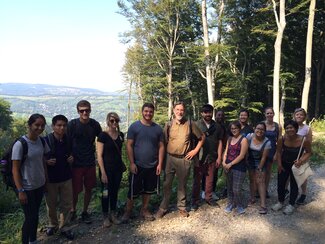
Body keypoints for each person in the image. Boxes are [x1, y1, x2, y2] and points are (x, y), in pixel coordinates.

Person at [155, 102, 205, 218]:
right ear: (173, 110)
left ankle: (182, 208)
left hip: (184, 159)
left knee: (182, 185)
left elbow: (202, 138)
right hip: (170, 158)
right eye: (177, 109)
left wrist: (195, 151)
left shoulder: (190, 124)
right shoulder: (168, 124)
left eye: (181, 110)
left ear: (184, 111)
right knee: (167, 184)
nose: (179, 112)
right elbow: (163, 142)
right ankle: (163, 208)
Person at [122, 103, 164, 222]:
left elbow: (161, 147)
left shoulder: (157, 129)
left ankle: (144, 210)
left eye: (150, 111)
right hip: (137, 165)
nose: (148, 114)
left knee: (148, 189)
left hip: (153, 165)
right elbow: (129, 145)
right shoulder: (134, 127)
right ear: (142, 112)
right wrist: (131, 163)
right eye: (146, 111)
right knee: (133, 190)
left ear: (153, 112)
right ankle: (128, 211)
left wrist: (160, 164)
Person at [12, 114, 50, 244]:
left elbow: (43, 161)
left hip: (39, 185)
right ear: (29, 125)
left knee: (35, 215)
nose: (40, 128)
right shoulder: (20, 144)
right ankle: (25, 241)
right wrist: (20, 190)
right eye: (37, 125)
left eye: (42, 125)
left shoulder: (41, 141)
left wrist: (46, 180)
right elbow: (15, 169)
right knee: (30, 217)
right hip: (26, 187)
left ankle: (33, 240)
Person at [68, 100, 102, 223]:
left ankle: (85, 211)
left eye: (87, 110)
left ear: (90, 110)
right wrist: (69, 155)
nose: (84, 112)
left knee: (89, 188)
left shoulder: (94, 125)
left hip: (89, 162)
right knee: (75, 190)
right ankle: (73, 211)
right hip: (76, 163)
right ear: (78, 111)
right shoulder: (72, 124)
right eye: (82, 110)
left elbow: (101, 139)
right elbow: (66, 141)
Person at [271, 120, 312, 215]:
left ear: (296, 128)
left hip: (296, 166)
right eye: (287, 128)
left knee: (294, 185)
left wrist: (301, 160)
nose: (289, 130)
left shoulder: (303, 140)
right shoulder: (282, 139)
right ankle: (280, 202)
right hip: (284, 164)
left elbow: (309, 152)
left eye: (291, 127)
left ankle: (291, 204)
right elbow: (279, 152)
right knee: (281, 184)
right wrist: (279, 164)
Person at [44, 115, 74, 240]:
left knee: (66, 204)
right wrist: (46, 162)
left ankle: (65, 226)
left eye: (64, 125)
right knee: (51, 203)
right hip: (51, 178)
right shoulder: (46, 140)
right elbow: (40, 157)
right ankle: (52, 224)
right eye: (59, 125)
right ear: (53, 126)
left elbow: (72, 153)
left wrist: (72, 158)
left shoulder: (68, 139)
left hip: (66, 176)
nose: (62, 128)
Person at [192, 104, 222, 210]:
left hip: (212, 156)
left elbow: (220, 142)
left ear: (212, 113)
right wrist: (194, 157)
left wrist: (219, 157)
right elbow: (192, 142)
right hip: (199, 157)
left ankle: (208, 198)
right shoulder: (196, 125)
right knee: (197, 180)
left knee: (210, 179)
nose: (207, 114)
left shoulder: (217, 126)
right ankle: (195, 200)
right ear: (201, 113)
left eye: (209, 112)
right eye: (205, 112)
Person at [97, 112, 125, 227]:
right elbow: (99, 155)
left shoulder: (121, 135)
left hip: (117, 170)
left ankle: (113, 214)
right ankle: (105, 216)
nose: (114, 123)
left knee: (114, 192)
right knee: (105, 193)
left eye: (116, 121)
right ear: (108, 121)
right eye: (112, 120)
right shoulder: (102, 136)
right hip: (106, 170)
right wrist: (103, 173)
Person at [222, 121, 248, 214]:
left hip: (239, 167)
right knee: (229, 187)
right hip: (228, 166)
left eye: (235, 128)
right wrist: (224, 161)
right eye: (232, 129)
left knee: (236, 189)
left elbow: (242, 155)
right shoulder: (229, 139)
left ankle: (239, 205)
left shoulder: (243, 140)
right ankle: (230, 204)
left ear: (239, 129)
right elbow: (226, 151)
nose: (234, 130)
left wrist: (230, 164)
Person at [246, 122, 271, 214]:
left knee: (260, 181)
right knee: (252, 180)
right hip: (250, 161)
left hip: (260, 161)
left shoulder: (267, 142)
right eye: (258, 128)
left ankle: (263, 204)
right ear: (254, 129)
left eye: (262, 129)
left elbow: (264, 157)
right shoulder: (249, 136)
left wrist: (259, 168)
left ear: (265, 131)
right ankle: (252, 198)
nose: (259, 131)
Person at [293, 108, 313, 205]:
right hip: (291, 153)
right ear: (294, 116)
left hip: (302, 154)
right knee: (290, 174)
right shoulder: (291, 126)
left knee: (302, 174)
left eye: (301, 115)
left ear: (304, 117)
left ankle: (303, 194)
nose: (299, 116)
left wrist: (304, 158)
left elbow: (309, 144)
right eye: (297, 114)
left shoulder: (307, 129)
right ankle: (288, 191)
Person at [264, 107, 282, 199]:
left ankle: (265, 190)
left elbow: (279, 140)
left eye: (271, 113)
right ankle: (256, 190)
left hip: (272, 151)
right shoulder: (262, 124)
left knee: (268, 172)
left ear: (274, 114)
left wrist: (277, 153)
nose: (269, 115)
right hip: (261, 151)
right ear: (265, 114)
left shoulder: (278, 126)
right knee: (259, 171)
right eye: (268, 113)